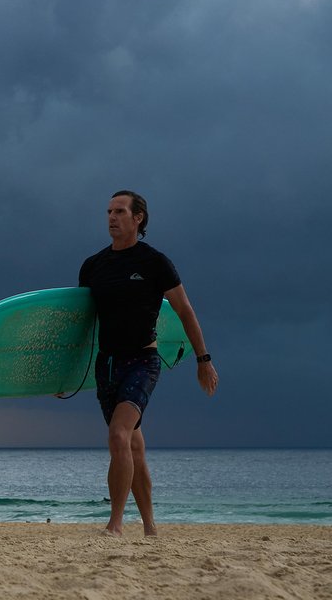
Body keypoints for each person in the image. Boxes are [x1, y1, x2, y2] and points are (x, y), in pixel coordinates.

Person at [79, 190, 218, 537]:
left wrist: (203, 359)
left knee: (118, 435)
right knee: (133, 445)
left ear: (138, 218)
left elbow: (184, 310)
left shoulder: (155, 262)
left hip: (142, 360)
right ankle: (150, 527)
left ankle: (115, 524)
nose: (112, 217)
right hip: (106, 364)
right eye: (109, 211)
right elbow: (82, 324)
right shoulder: (93, 265)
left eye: (119, 211)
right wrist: (65, 375)